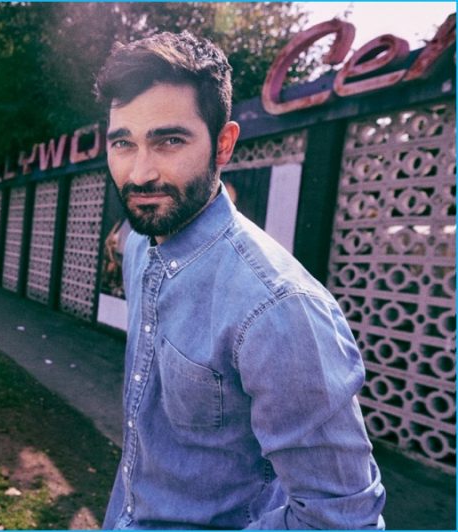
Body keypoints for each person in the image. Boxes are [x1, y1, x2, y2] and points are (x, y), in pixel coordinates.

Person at [93, 31, 386, 530]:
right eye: (124, 142)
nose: (139, 173)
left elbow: (341, 519)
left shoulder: (278, 307)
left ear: (223, 143)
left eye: (169, 140)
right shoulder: (143, 243)